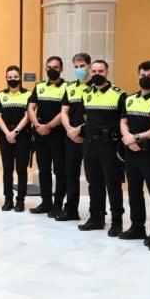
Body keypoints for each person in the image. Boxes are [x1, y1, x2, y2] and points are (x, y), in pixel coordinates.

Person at [79, 60, 126, 234]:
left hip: (109, 145)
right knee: (94, 182)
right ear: (90, 72)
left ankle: (116, 221)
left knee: (112, 184)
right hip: (90, 144)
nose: (97, 74)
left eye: (101, 71)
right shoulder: (87, 93)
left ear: (107, 72)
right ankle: (96, 217)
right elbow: (86, 118)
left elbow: (123, 121)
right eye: (94, 71)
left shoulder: (118, 94)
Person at [119, 61, 150, 242]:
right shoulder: (130, 99)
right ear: (138, 75)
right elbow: (123, 122)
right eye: (143, 75)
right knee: (134, 191)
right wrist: (128, 139)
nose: (146, 78)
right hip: (131, 152)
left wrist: (136, 137)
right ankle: (137, 227)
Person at [27, 56, 67, 216]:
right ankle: (45, 202)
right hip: (40, 133)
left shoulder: (67, 88)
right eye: (49, 67)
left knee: (59, 170)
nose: (52, 70)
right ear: (45, 69)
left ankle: (58, 205)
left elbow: (65, 111)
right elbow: (30, 107)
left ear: (61, 69)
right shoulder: (39, 87)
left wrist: (49, 126)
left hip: (58, 133)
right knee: (43, 169)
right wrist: (37, 125)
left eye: (55, 67)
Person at [57, 52, 92, 222]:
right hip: (71, 138)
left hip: (90, 139)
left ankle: (96, 212)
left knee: (94, 177)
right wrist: (70, 130)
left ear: (89, 66)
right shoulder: (69, 88)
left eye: (82, 66)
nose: (79, 69)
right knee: (70, 174)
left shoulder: (96, 87)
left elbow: (98, 116)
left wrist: (80, 130)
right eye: (76, 67)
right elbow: (64, 112)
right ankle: (71, 209)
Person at [0, 65, 33, 212]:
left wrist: (15, 132)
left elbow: (28, 116)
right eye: (10, 77)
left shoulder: (28, 95)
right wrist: (7, 133)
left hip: (22, 136)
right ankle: (8, 199)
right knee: (7, 169)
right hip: (5, 136)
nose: (12, 79)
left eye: (15, 77)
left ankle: (20, 200)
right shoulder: (1, 95)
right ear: (6, 78)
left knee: (21, 169)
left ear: (20, 78)